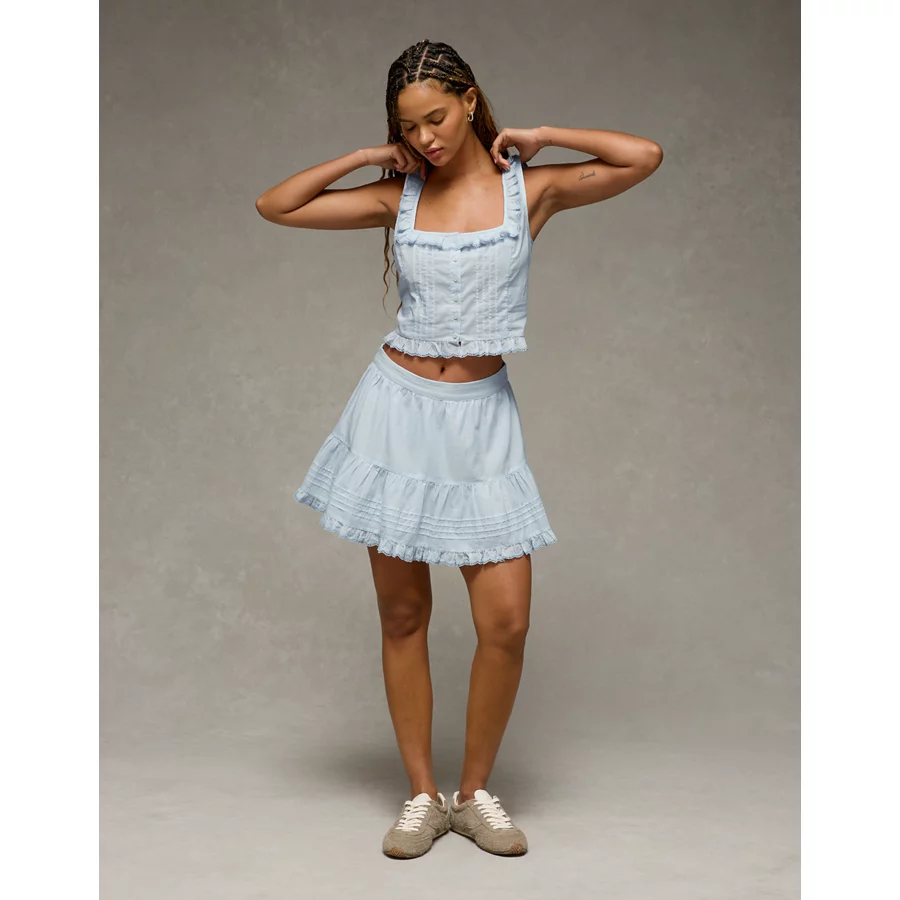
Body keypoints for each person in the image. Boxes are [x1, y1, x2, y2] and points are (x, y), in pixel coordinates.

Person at [256, 39, 663, 859]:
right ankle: (421, 797)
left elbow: (642, 156)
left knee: (505, 622)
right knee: (404, 613)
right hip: (396, 413)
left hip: (481, 421)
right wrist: (367, 158)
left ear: (471, 101)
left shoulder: (530, 191)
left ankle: (474, 796)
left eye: (436, 118)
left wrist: (545, 135)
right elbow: (278, 205)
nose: (426, 138)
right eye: (409, 126)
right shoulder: (398, 195)